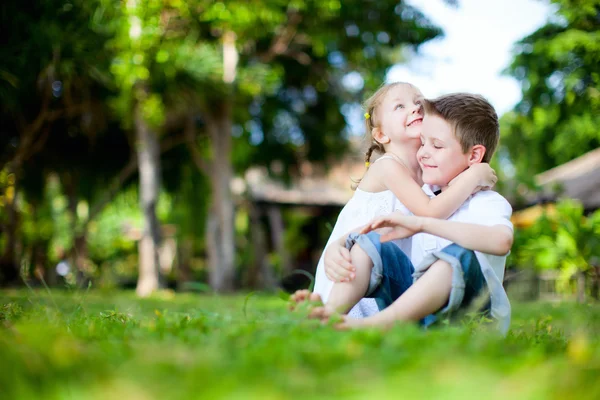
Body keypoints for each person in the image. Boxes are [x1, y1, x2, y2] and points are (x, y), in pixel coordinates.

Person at [297, 93, 514, 334]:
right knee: (371, 242)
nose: (423, 153)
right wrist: (340, 244)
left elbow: (501, 241)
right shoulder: (425, 196)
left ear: (474, 156)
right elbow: (384, 228)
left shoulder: (487, 202)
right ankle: (330, 316)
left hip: (471, 319)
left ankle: (372, 327)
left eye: (437, 145)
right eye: (422, 143)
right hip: (420, 317)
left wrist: (423, 224)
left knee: (453, 259)